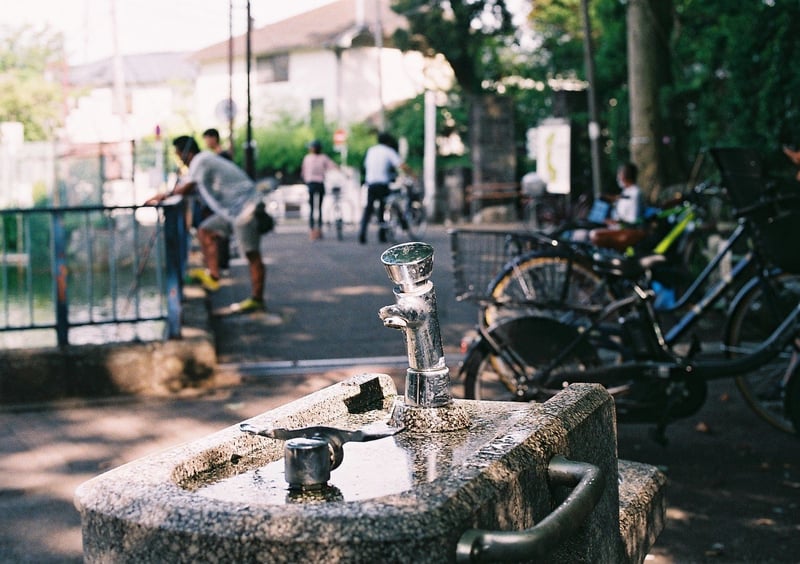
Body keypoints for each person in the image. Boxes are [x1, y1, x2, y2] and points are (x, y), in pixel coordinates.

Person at [147, 135, 270, 315]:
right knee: (205, 230)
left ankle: (257, 299)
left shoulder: (200, 160)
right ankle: (213, 276)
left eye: (178, 154)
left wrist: (163, 195)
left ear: (186, 153)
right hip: (231, 211)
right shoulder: (201, 161)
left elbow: (187, 188)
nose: (178, 159)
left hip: (246, 209)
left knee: (252, 255)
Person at [358, 132, 410, 244]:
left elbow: (366, 165)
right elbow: (400, 165)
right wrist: (412, 174)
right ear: (388, 142)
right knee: (384, 205)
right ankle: (382, 235)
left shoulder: (371, 150)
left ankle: (362, 233)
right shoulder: (389, 151)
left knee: (368, 209)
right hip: (382, 184)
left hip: (371, 183)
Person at [301, 139, 337, 240]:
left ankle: (312, 231)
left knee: (312, 208)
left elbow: (303, 172)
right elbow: (332, 166)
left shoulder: (307, 158)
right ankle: (320, 230)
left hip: (311, 184)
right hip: (320, 183)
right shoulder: (323, 158)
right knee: (320, 208)